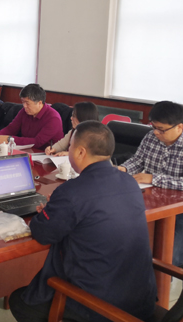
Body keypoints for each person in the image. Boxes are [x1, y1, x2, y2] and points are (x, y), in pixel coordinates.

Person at [9, 121, 157, 322]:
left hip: (97, 307)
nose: (68, 151)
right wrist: (58, 210)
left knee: (19, 301)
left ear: (80, 152)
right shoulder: (130, 183)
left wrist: (49, 213)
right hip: (140, 301)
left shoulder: (72, 191)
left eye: (70, 146)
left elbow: (42, 233)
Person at [118, 100, 183, 267]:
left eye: (161, 129)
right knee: (127, 240)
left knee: (170, 259)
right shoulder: (151, 137)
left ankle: (164, 281)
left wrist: (153, 178)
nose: (156, 133)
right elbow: (138, 160)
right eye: (153, 127)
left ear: (179, 127)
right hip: (152, 202)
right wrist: (123, 169)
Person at [0, 84, 63, 150]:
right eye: (23, 102)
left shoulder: (53, 118)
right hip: (27, 150)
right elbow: (11, 128)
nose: (24, 106)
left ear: (39, 103)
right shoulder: (24, 111)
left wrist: (9, 139)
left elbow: (37, 142)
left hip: (46, 155)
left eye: (27, 103)